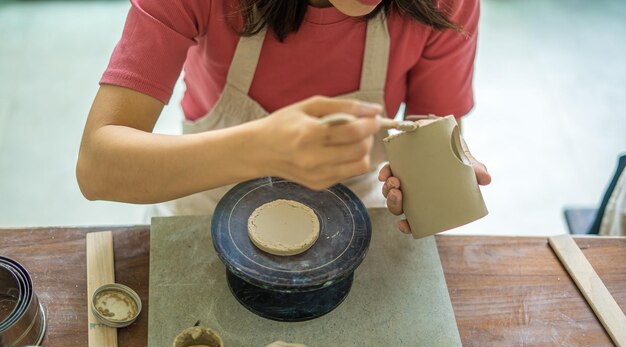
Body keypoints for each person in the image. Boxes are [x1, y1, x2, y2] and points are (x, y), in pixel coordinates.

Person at [76, 0, 491, 234]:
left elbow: (429, 140)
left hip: (352, 220)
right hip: (204, 212)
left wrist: (435, 181)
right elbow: (98, 166)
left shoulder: (445, 5)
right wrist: (265, 149)